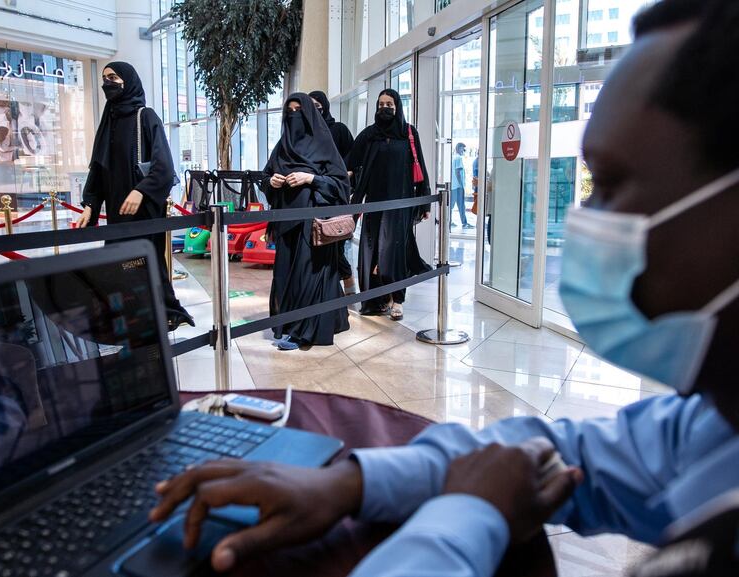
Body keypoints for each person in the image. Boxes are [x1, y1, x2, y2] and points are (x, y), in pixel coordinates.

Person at [149, 1, 739, 575]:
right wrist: (352, 482)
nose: (588, 216)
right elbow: (555, 452)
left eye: (608, 183)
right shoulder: (710, 429)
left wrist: (470, 514)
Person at [77, 62, 194, 331]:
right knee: (117, 265)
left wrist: (141, 191)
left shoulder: (146, 116)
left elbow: (164, 166)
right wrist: (89, 205)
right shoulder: (109, 120)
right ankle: (129, 316)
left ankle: (150, 315)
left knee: (140, 263)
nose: (108, 83)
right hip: (117, 212)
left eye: (114, 77)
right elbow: (99, 167)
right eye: (105, 78)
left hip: (143, 211)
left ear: (128, 80)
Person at [261, 93, 351, 351]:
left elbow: (341, 185)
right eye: (289, 111)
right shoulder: (282, 146)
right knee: (286, 274)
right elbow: (265, 178)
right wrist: (272, 182)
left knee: (308, 276)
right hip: (285, 224)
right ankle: (290, 326)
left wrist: (310, 179)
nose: (294, 115)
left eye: (299, 110)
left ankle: (304, 332)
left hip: (313, 226)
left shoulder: (324, 144)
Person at [344, 89, 431, 321]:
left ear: (397, 107)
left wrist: (425, 199)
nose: (385, 108)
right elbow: (351, 163)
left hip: (400, 205)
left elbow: (420, 165)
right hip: (374, 204)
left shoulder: (408, 133)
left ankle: (397, 299)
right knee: (373, 253)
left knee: (394, 252)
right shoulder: (370, 134)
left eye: (389, 104)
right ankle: (376, 300)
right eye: (381, 104)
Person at [308, 90, 357, 295]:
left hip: (335, 193)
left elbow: (353, 157)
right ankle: (327, 288)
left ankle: (348, 282)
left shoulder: (338, 130)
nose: (316, 110)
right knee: (316, 240)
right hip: (312, 194)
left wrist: (345, 175)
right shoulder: (307, 131)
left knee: (334, 238)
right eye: (311, 107)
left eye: (318, 106)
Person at [450, 142, 473, 230]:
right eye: (463, 148)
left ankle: (450, 221)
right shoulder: (458, 158)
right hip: (458, 187)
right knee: (461, 205)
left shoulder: (454, 157)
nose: (464, 150)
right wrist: (461, 185)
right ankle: (464, 223)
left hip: (453, 186)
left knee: (452, 205)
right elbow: (458, 172)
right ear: (459, 148)